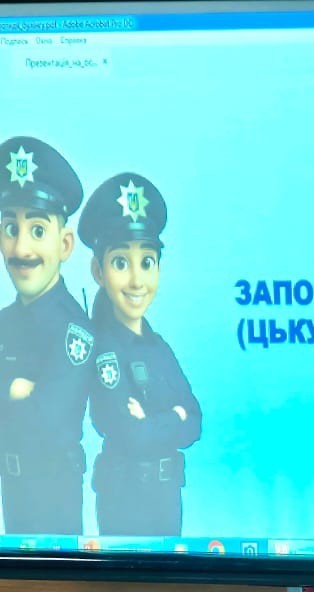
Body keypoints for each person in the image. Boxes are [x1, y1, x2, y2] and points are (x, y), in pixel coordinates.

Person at [79, 173, 200, 536]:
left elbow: (195, 419)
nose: (136, 280)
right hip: (126, 498)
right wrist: (172, 416)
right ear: (99, 271)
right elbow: (130, 433)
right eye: (121, 263)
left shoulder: (159, 346)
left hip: (167, 496)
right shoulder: (103, 349)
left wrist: (156, 420)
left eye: (147, 262)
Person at [0, 135, 94, 535]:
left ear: (65, 244)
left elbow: (44, 425)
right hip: (12, 489)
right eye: (11, 227)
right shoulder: (3, 321)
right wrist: (14, 390)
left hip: (52, 496)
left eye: (37, 229)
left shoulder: (75, 330)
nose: (21, 248)